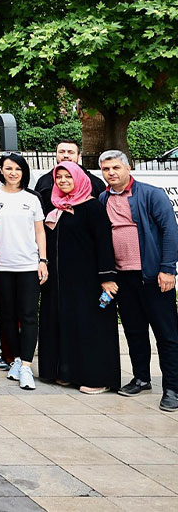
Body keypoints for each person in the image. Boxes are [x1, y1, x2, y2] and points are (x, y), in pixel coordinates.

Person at [98, 150, 178, 411]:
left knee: (166, 335)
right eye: (106, 168)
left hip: (153, 276)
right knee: (133, 331)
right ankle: (142, 378)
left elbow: (169, 230)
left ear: (128, 167)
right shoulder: (102, 198)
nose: (111, 173)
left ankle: (173, 388)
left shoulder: (152, 194)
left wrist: (168, 269)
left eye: (116, 167)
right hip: (123, 278)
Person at [35, 162, 119, 393]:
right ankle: (66, 372)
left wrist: (107, 277)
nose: (62, 181)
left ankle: (96, 378)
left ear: (79, 179)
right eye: (59, 177)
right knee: (64, 323)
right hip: (60, 281)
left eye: (67, 177)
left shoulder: (92, 207)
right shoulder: (55, 207)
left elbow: (104, 243)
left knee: (89, 326)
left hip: (88, 281)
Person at [0, 152, 47, 391]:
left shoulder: (32, 198)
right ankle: (16, 360)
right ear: (1, 170)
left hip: (28, 265)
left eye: (17, 169)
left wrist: (43, 260)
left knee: (28, 315)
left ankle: (27, 367)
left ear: (23, 172)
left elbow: (40, 232)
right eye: (8, 168)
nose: (13, 173)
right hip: (1, 267)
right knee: (8, 316)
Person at [33, 140, 107, 212]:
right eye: (61, 152)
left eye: (71, 152)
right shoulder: (44, 181)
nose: (65, 155)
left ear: (79, 156)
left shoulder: (95, 182)